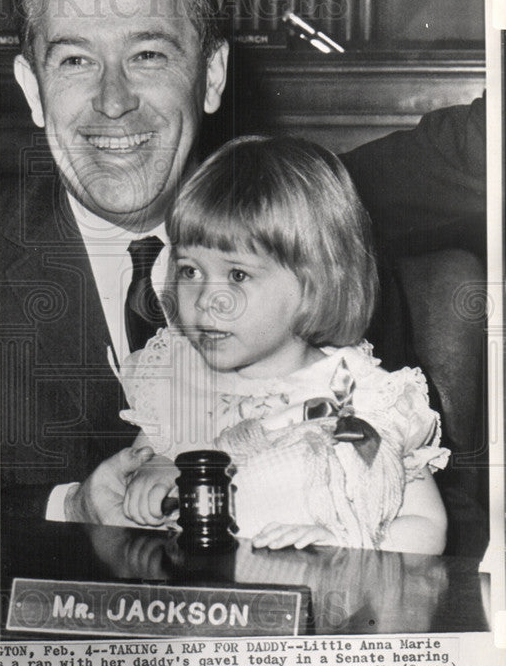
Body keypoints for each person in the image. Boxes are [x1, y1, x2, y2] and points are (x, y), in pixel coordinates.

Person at [0, 0, 485, 550]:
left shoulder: (317, 245)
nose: (114, 101)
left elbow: (416, 505)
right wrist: (74, 504)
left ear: (211, 75)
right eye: (77, 60)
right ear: (32, 87)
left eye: (148, 55)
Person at [110, 136, 448, 555]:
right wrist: (154, 474)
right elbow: (138, 477)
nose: (204, 299)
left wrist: (343, 546)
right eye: (190, 270)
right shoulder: (178, 379)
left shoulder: (351, 398)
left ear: (314, 284)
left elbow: (427, 526)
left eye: (237, 275)